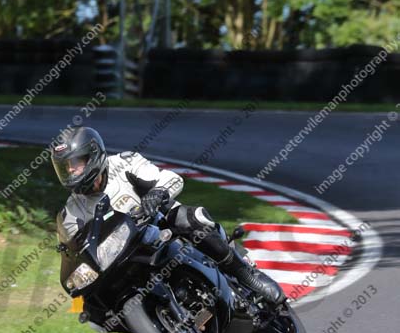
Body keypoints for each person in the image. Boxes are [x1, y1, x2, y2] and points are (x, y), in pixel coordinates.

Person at [51, 126, 285, 306]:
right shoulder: (69, 213)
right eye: (65, 167)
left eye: (75, 164)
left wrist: (157, 194)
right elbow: (72, 250)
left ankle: (243, 273)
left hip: (162, 227)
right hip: (123, 255)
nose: (71, 171)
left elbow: (171, 178)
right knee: (91, 302)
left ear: (92, 155)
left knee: (191, 219)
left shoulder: (125, 163)